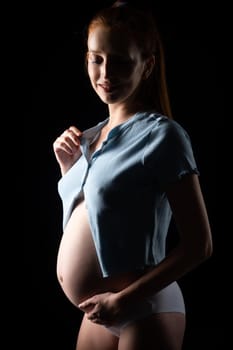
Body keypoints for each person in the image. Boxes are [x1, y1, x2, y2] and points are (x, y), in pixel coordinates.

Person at [53, 1, 213, 349]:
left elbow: (200, 244)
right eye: (97, 58)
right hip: (99, 310)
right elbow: (100, 225)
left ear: (148, 65)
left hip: (143, 306)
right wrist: (70, 169)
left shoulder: (164, 136)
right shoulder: (91, 137)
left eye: (122, 62)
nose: (106, 73)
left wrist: (122, 301)